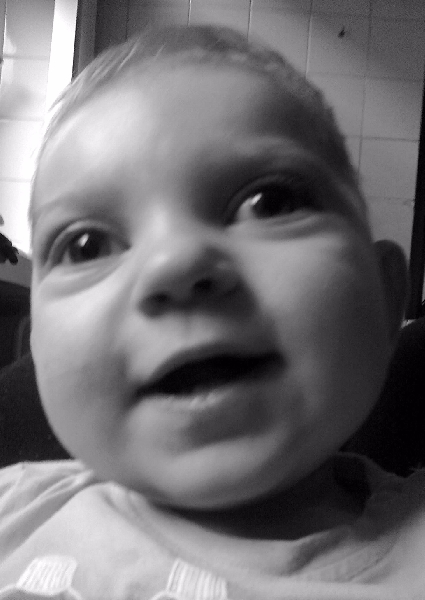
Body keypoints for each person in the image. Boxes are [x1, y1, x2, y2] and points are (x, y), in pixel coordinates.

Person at [0, 24, 419, 599]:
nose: (175, 262)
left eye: (268, 203)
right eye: (86, 246)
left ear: (386, 298)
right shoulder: (14, 508)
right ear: (37, 346)